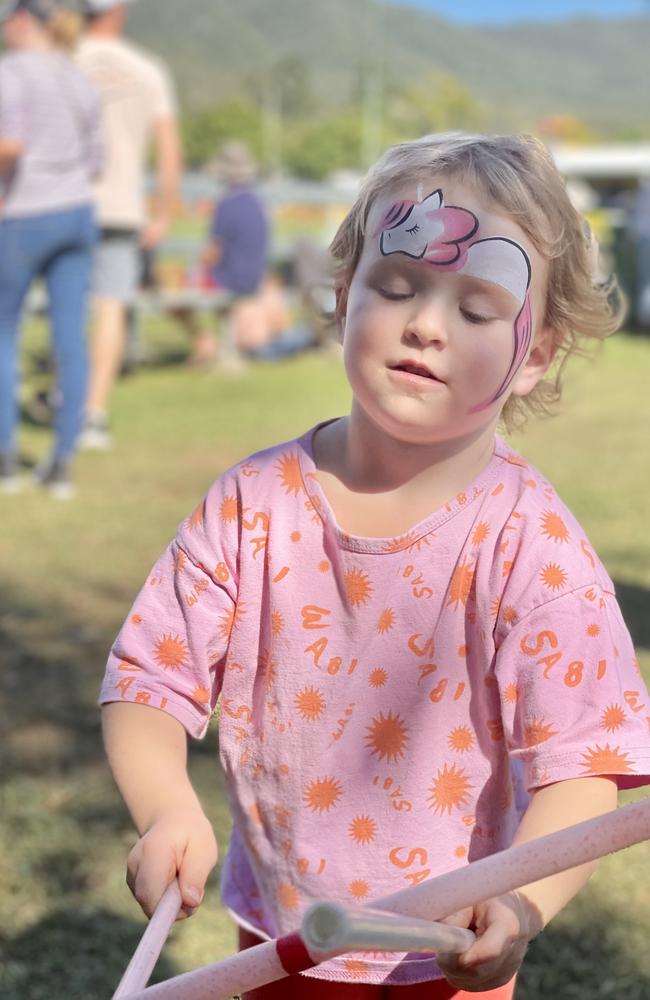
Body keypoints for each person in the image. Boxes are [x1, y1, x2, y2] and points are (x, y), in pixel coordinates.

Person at [99, 133, 650, 998]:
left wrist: (522, 904)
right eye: (395, 287)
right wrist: (165, 805)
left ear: (535, 353)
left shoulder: (535, 548)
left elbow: (582, 768)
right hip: (273, 935)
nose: (426, 324)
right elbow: (148, 678)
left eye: (476, 309)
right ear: (345, 293)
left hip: (447, 957)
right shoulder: (254, 502)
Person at [0, 0, 102, 498]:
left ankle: (6, 463)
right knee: (70, 340)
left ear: (22, 22)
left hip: (23, 214)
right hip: (78, 214)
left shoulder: (11, 72)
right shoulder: (77, 77)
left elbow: (10, 144)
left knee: (4, 334)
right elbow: (96, 160)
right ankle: (62, 465)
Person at [76, 0, 181, 449]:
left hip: (61, 202)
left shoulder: (62, 58)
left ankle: (59, 397)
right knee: (110, 309)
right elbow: (168, 149)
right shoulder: (148, 69)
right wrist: (163, 210)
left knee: (57, 310)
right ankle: (92, 414)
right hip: (121, 209)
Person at [173, 141, 273, 369]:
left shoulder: (226, 205)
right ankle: (216, 344)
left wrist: (194, 266)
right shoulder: (258, 204)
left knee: (173, 294)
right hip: (253, 278)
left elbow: (212, 253)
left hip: (229, 279)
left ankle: (203, 339)